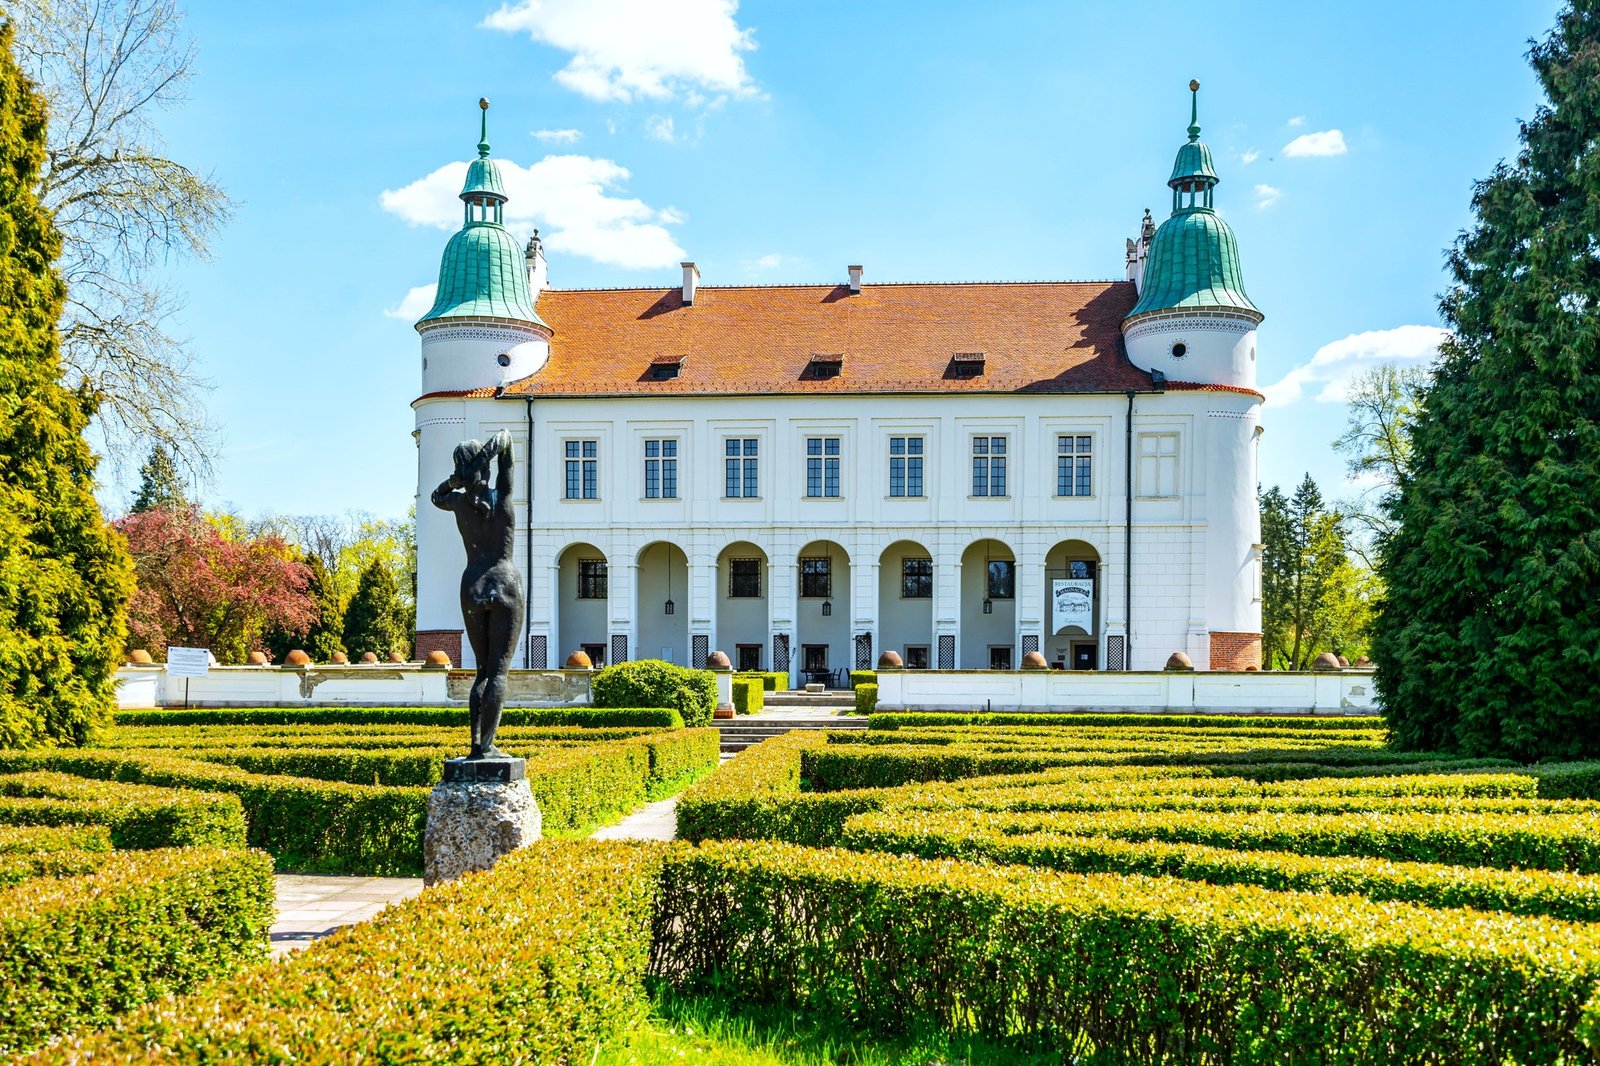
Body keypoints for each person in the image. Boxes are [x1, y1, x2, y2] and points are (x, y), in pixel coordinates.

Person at [431, 430, 524, 758]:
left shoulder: (457, 502)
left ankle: (475, 747)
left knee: (482, 671)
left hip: (472, 585)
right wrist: (493, 446)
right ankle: (487, 748)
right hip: (505, 581)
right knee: (499, 670)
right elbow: (508, 451)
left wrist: (452, 482)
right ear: (485, 468)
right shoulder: (502, 496)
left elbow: (434, 497)